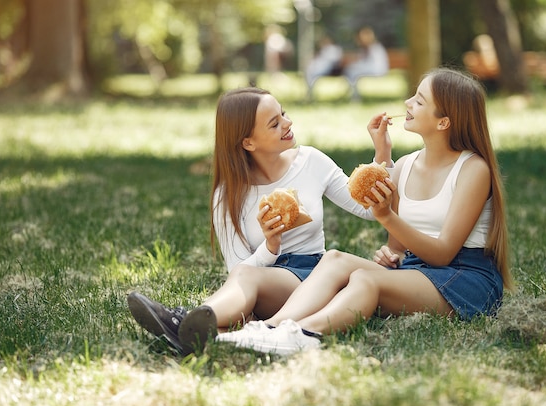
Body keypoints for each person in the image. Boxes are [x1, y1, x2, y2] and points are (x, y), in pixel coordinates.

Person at [216, 68, 514, 356]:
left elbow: (443, 254)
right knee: (335, 259)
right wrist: (392, 254)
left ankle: (305, 334)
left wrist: (387, 217)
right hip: (418, 270)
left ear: (443, 122)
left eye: (419, 100)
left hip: (465, 280)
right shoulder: (406, 165)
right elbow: (398, 247)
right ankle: (269, 329)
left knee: (365, 280)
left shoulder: (473, 168)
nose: (408, 103)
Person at [127, 86, 382, 355]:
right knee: (244, 274)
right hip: (267, 285)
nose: (288, 123)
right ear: (248, 142)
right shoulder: (227, 195)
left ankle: (182, 323)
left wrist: (381, 154)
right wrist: (270, 247)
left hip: (316, 276)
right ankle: (194, 329)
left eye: (283, 114)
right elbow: (237, 269)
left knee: (247, 277)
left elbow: (367, 209)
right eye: (275, 124)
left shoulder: (311, 161)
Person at [343, 26, 389, 100]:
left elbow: (374, 65)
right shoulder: (368, 48)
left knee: (351, 71)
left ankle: (354, 96)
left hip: (377, 70)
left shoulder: (374, 47)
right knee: (351, 70)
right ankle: (353, 93)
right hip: (373, 69)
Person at [305, 35, 344, 99]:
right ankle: (309, 91)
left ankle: (310, 91)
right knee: (309, 72)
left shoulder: (333, 49)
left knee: (311, 73)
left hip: (328, 69)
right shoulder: (324, 50)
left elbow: (335, 61)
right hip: (316, 68)